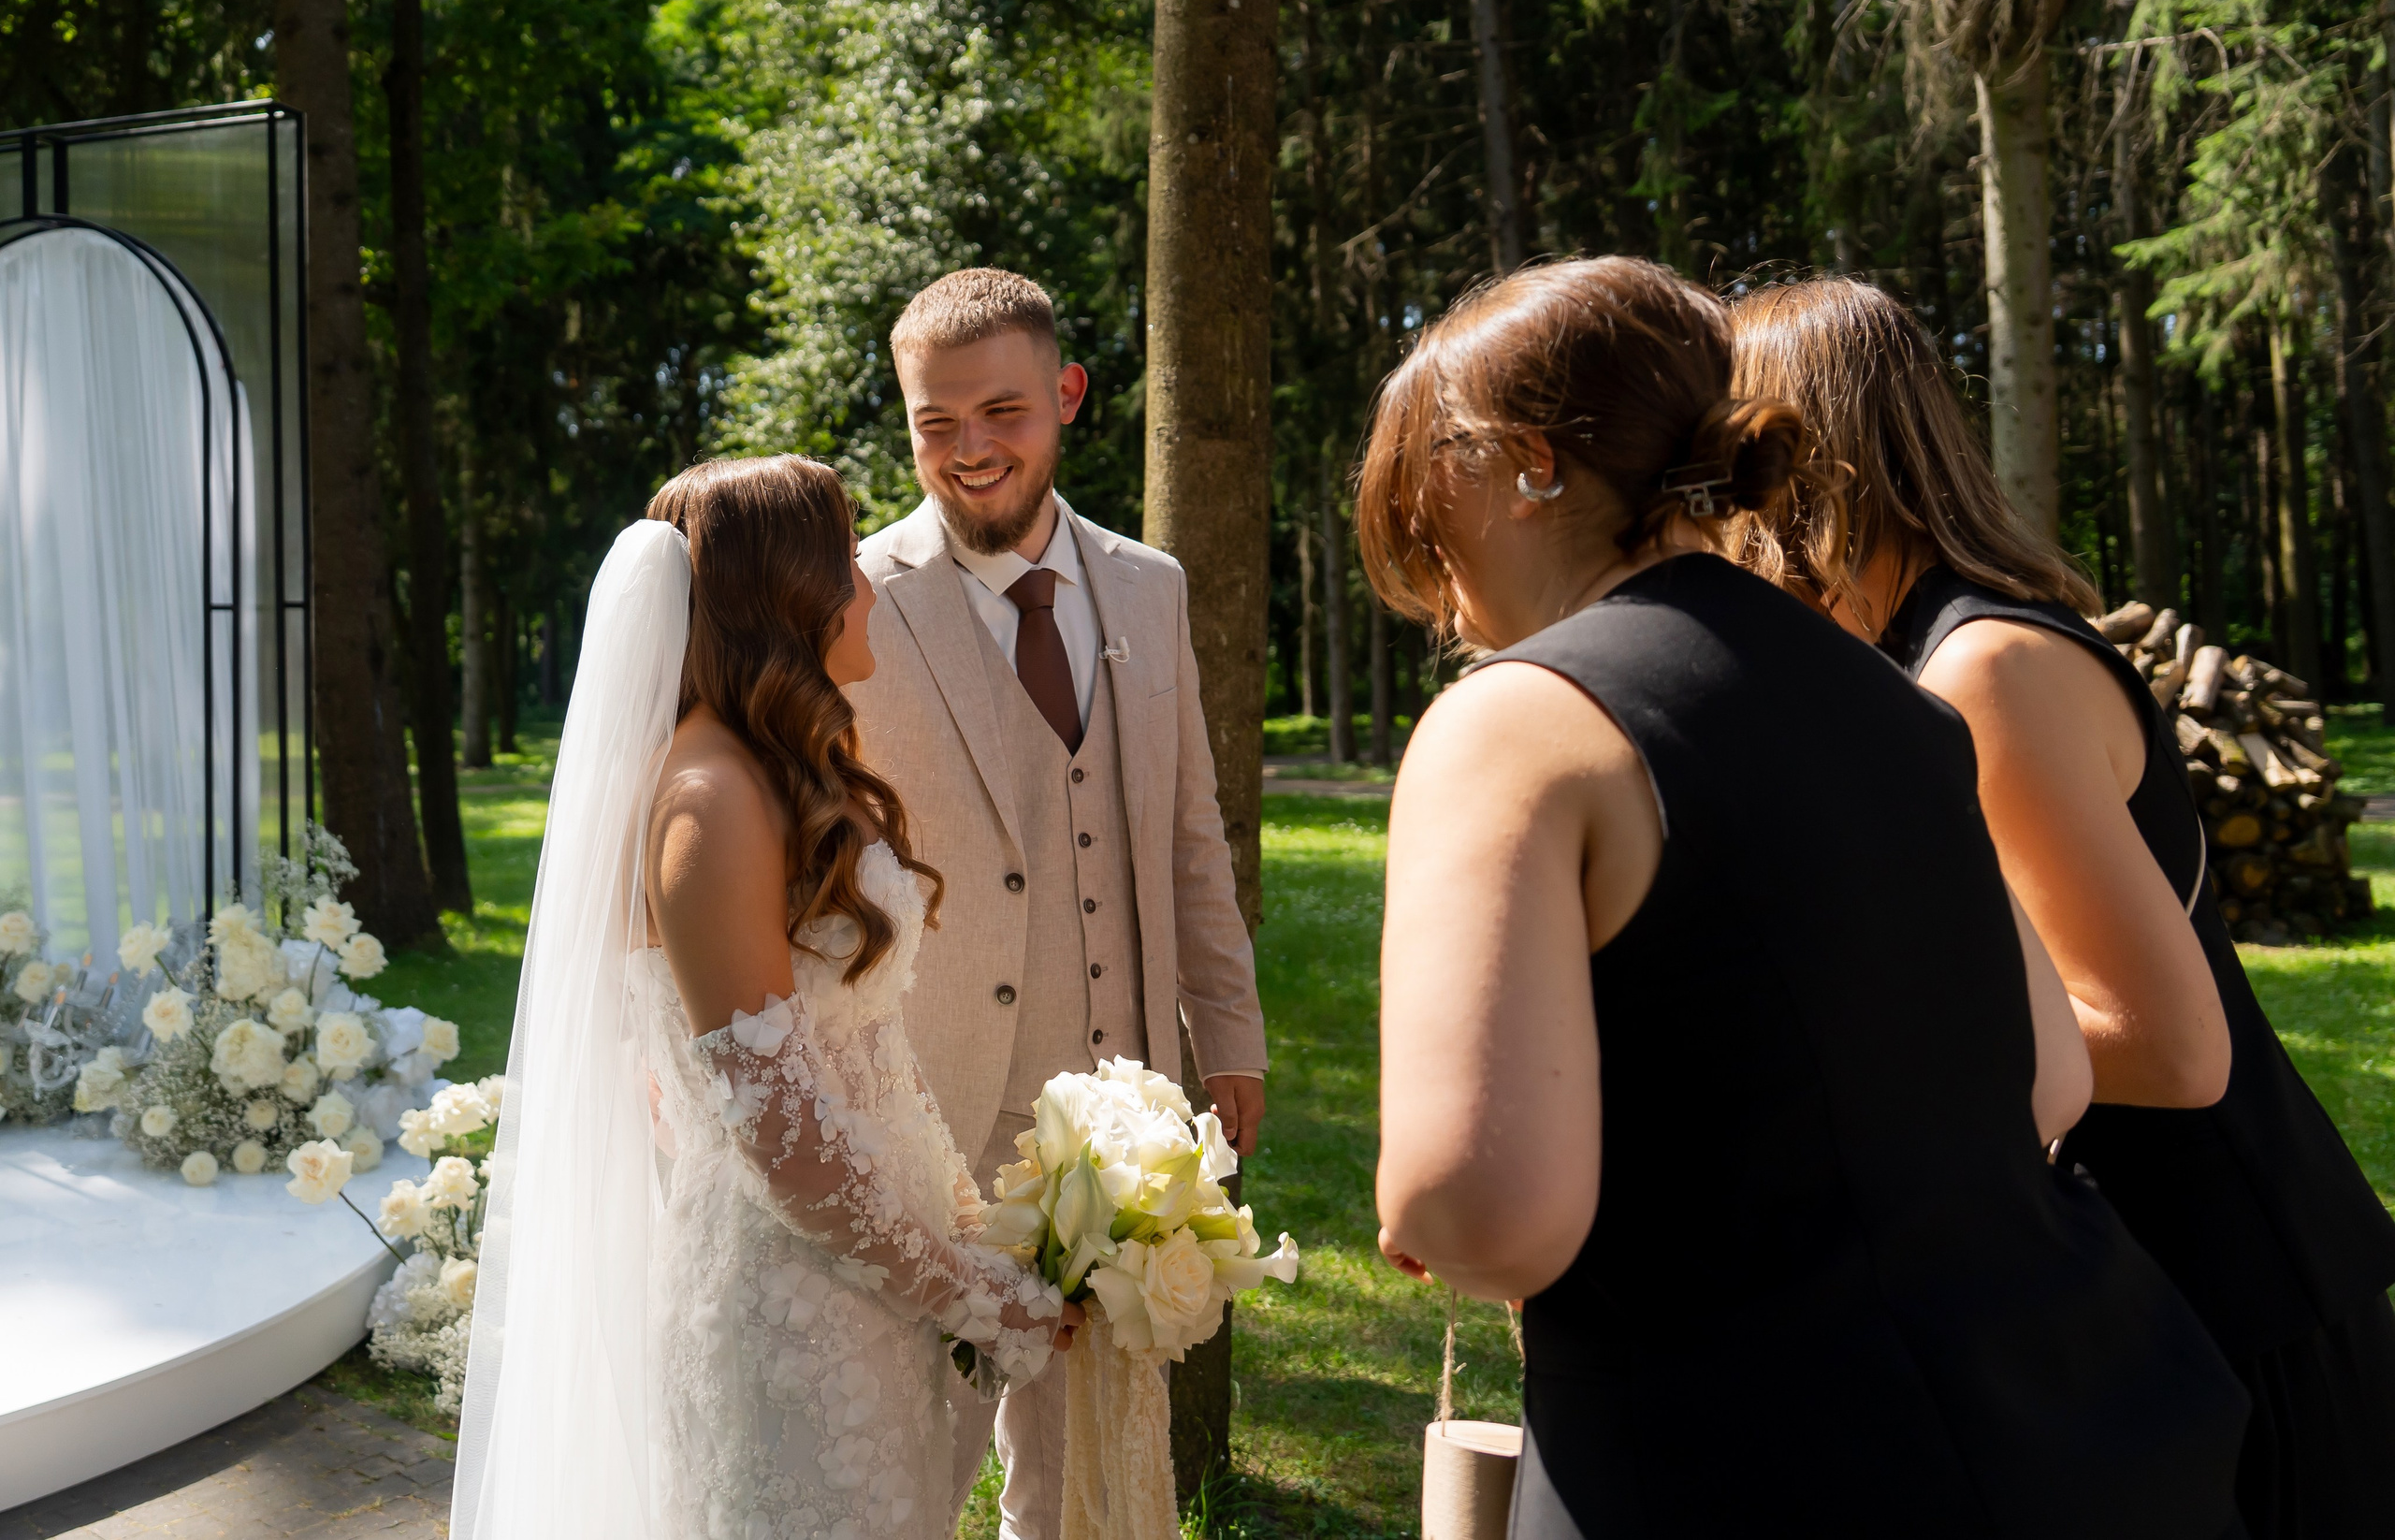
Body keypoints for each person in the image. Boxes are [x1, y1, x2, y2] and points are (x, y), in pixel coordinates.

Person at [1365, 256, 2251, 1537]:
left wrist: (1428, 1211)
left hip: (1731, 1460)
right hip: (2074, 1427)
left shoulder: (1514, 721)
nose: (1438, 583)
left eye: (1423, 511)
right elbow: (2049, 1074)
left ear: (1524, 461)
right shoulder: (1897, 697)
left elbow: (1490, 1211)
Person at [1728, 274, 2395, 1537]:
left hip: (2235, 1308)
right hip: (2155, 1296)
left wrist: (1842, 1056)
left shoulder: (1986, 670)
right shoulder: (1929, 654)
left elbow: (2167, 1046)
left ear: (1798, 469)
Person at [450, 458, 1074, 1540]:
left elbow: (864, 1051)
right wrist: (970, 1295)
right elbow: (779, 1133)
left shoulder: (776, 769)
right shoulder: (709, 803)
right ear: (783, 593)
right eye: (844, 561)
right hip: (788, 1311)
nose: (870, 586)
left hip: (867, 1277)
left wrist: (974, 1233)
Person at [846, 268, 1270, 1539]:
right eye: (935, 421)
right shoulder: (860, 595)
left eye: (1003, 412)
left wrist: (1228, 1026)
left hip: (1120, 1110)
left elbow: (1193, 830)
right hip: (934, 1097)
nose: (969, 449)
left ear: (1068, 396)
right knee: (912, 1457)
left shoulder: (1151, 584)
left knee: (1089, 1466)